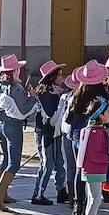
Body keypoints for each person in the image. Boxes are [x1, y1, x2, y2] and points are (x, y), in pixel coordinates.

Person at [0, 54, 37, 212]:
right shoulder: (15, 88)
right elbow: (22, 111)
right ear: (15, 70)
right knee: (14, 162)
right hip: (13, 126)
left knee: (6, 159)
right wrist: (33, 97)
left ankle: (4, 193)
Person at [64, 61, 109, 215]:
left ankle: (78, 206)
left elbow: (69, 119)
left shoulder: (76, 95)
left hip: (76, 136)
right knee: (93, 172)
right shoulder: (102, 97)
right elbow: (108, 120)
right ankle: (90, 207)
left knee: (79, 171)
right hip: (94, 137)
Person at [76, 94, 109, 215]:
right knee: (95, 200)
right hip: (94, 171)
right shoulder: (96, 132)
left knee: (93, 199)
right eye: (108, 113)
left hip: (91, 170)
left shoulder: (94, 130)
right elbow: (94, 155)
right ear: (100, 116)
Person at [31, 61, 67, 206]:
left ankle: (61, 190)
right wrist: (62, 105)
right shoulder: (45, 94)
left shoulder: (57, 92)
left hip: (56, 132)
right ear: (51, 78)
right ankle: (38, 194)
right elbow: (51, 117)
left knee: (60, 162)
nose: (61, 78)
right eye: (58, 75)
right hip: (45, 133)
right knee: (47, 163)